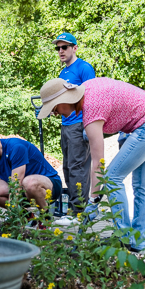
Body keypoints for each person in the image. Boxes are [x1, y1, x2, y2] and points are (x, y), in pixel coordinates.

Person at [38, 77, 145, 251]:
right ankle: (138, 242)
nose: (56, 114)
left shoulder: (91, 110)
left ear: (64, 99)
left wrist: (93, 201)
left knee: (112, 177)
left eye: (54, 109)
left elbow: (98, 164)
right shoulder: (87, 91)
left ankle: (125, 238)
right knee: (141, 184)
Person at [0, 127, 63, 233]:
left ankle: (45, 219)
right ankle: (27, 217)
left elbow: (16, 187)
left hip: (50, 185)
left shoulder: (16, 148)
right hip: (23, 190)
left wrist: (12, 220)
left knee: (29, 183)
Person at [51, 33, 95, 226]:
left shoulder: (84, 68)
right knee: (68, 168)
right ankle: (75, 209)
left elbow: (93, 96)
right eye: (58, 48)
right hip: (66, 125)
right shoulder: (63, 73)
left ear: (75, 48)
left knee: (78, 168)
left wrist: (88, 126)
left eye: (65, 47)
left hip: (79, 125)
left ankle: (80, 213)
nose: (61, 51)